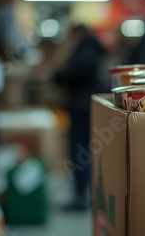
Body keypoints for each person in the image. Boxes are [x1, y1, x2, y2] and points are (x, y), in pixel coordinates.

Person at [53, 24, 105, 210]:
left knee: (79, 150)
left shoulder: (86, 49)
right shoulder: (91, 49)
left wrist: (58, 75)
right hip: (86, 107)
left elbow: (73, 72)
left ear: (77, 34)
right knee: (84, 150)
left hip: (82, 108)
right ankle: (85, 193)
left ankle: (81, 196)